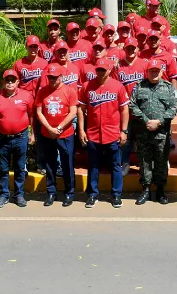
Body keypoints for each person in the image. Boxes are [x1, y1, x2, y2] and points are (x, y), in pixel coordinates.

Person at [78, 58, 130, 208]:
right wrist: (81, 130)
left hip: (112, 133)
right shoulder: (87, 86)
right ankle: (92, 195)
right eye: (98, 70)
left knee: (115, 165)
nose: (100, 72)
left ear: (109, 70)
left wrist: (124, 131)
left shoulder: (118, 86)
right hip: (93, 133)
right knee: (93, 165)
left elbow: (124, 110)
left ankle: (116, 195)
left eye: (103, 70)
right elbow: (81, 109)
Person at [128, 59, 177, 205]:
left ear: (161, 72)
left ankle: (161, 191)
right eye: (152, 71)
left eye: (157, 71)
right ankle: (146, 190)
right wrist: (146, 120)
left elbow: (173, 108)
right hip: (143, 132)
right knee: (145, 162)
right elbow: (132, 105)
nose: (154, 73)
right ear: (147, 72)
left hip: (162, 133)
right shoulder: (139, 86)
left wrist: (159, 122)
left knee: (161, 162)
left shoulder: (169, 88)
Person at [0, 69, 35, 208]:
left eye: (13, 80)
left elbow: (32, 115)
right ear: (3, 82)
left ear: (18, 82)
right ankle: (3, 195)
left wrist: (33, 134)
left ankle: (19, 195)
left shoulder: (26, 95)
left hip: (21, 137)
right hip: (2, 138)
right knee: (3, 168)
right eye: (7, 80)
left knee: (20, 167)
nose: (10, 83)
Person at [35, 64, 79, 207]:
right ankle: (51, 192)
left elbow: (73, 112)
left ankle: (69, 192)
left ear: (61, 76)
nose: (52, 80)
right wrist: (49, 128)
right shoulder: (42, 91)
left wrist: (59, 128)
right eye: (50, 77)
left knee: (67, 164)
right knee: (50, 164)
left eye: (55, 77)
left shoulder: (69, 91)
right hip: (47, 134)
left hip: (65, 134)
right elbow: (39, 112)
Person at [114, 39, 148, 173]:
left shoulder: (144, 64)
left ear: (137, 49)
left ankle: (144, 163)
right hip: (125, 108)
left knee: (142, 137)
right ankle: (125, 162)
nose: (131, 50)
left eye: (133, 48)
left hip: (141, 108)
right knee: (125, 137)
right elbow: (115, 86)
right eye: (128, 48)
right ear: (124, 49)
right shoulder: (119, 65)